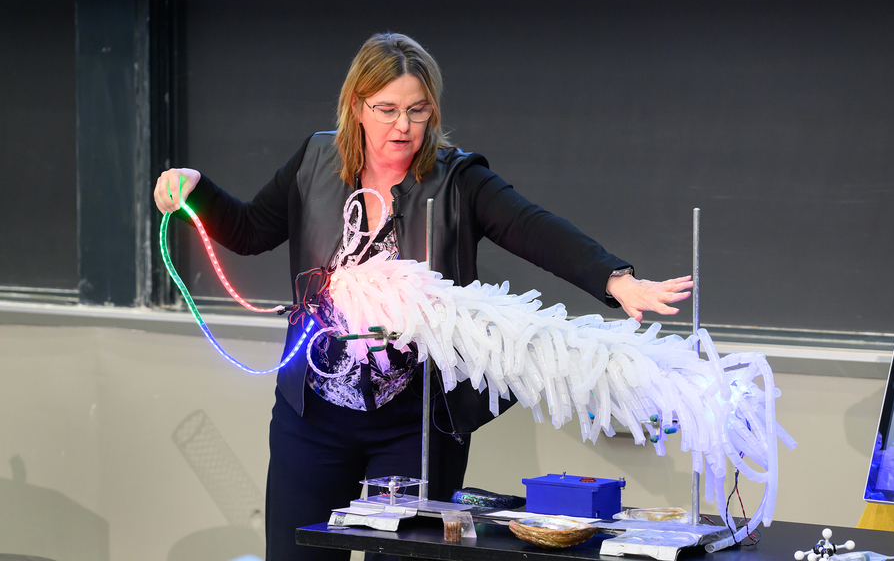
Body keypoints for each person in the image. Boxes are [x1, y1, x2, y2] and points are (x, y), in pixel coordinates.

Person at [154, 32, 692, 561]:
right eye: (386, 109)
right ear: (356, 106)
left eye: (417, 110)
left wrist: (614, 279)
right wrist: (194, 186)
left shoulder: (459, 180)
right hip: (311, 419)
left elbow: (534, 227)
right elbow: (248, 231)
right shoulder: (315, 161)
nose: (403, 126)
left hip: (417, 426)